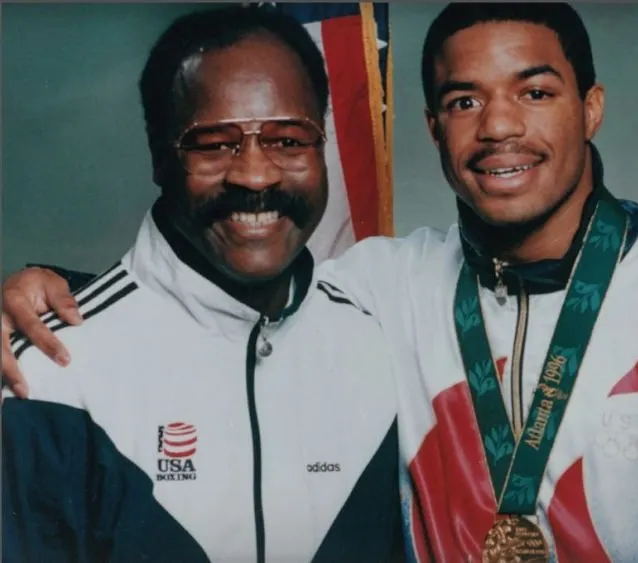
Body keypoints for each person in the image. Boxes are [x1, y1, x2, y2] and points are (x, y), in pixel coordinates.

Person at [4, 3, 638, 562]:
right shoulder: (380, 283)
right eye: (465, 100)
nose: (499, 126)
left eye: (534, 92)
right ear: (435, 127)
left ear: (590, 106)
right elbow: (230, 276)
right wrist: (57, 297)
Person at [1, 5, 404, 563]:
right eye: (214, 144)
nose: (256, 175)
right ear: (160, 157)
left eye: (289, 140)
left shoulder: (387, 344)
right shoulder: (46, 377)